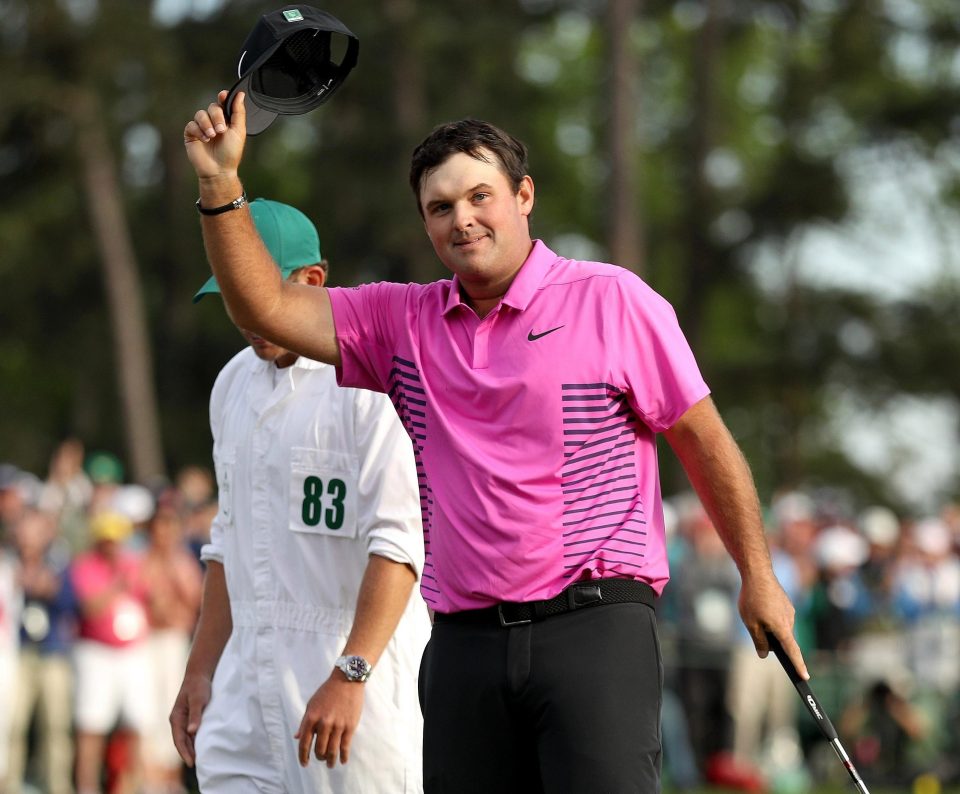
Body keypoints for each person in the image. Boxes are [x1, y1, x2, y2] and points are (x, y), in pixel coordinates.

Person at [183, 93, 807, 792]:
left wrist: (758, 574)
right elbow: (263, 304)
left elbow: (703, 440)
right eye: (440, 208)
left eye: (480, 196)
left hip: (594, 626)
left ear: (524, 195)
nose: (463, 219)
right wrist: (219, 184)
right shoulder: (403, 321)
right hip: (463, 645)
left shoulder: (613, 300)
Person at [168, 198, 430, 794]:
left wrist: (351, 672)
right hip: (246, 688)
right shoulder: (233, 382)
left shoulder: (371, 384)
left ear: (311, 281)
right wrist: (201, 669)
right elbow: (225, 543)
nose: (244, 311)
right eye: (232, 294)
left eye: (254, 289)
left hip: (350, 686)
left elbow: (400, 544)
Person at [70, 510, 153, 794]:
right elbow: (90, 609)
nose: (111, 545)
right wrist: (117, 586)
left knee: (138, 723)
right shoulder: (85, 565)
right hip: (97, 654)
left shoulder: (135, 564)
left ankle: (134, 785)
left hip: (132, 653)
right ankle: (87, 787)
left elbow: (153, 601)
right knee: (91, 725)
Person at [6, 508, 77, 794]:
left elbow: (72, 603)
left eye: (35, 530)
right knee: (13, 724)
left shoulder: (59, 562)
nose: (28, 536)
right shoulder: (8, 562)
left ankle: (57, 785)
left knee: (56, 727)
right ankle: (8, 783)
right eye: (24, 529)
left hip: (53, 653)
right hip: (17, 654)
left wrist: (50, 588)